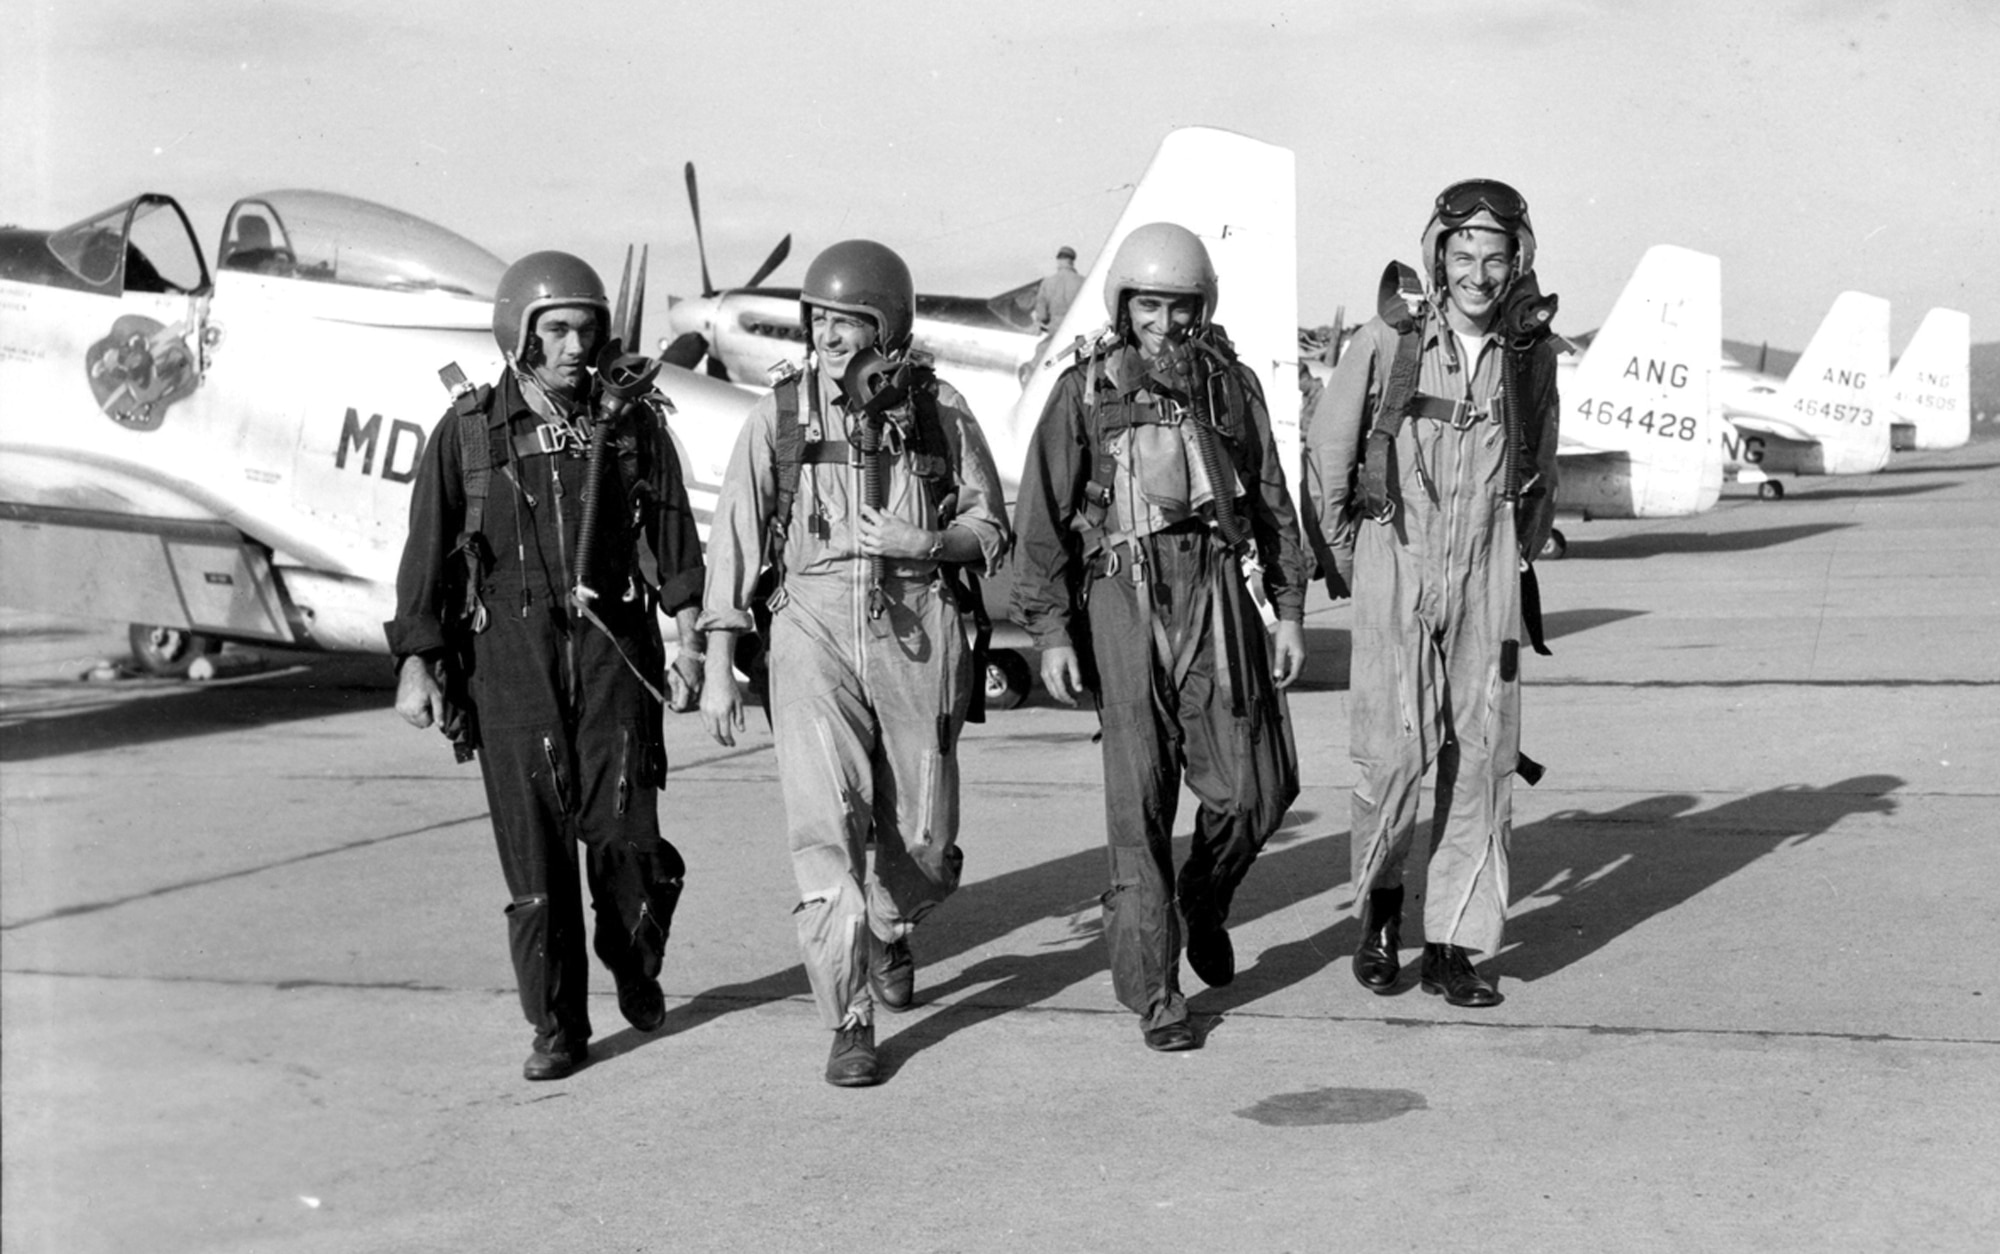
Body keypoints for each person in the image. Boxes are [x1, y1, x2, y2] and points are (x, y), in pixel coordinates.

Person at [697, 240, 1011, 1088]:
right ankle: (849, 1020)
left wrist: (929, 541)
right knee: (824, 829)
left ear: (889, 327)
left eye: (850, 323)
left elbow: (991, 528)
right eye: (822, 322)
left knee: (926, 845)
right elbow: (734, 529)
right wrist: (721, 650)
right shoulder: (784, 415)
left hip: (919, 620)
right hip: (812, 627)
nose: (832, 338)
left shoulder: (942, 409)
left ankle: (887, 926)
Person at [386, 250, 707, 1080]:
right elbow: (425, 550)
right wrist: (418, 661)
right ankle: (557, 1026)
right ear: (520, 335)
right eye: (556, 330)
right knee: (535, 861)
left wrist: (693, 639)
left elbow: (675, 545)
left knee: (627, 835)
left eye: (585, 329)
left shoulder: (632, 424)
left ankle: (635, 962)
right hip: (509, 660)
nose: (573, 345)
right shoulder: (469, 432)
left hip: (612, 651)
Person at [1012, 222, 1309, 1053]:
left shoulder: (1230, 385)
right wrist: (1052, 634)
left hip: (1216, 585)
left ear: (1201, 307)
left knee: (1258, 787)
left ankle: (1204, 901)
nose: (1166, 323)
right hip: (1122, 593)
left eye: (1181, 307)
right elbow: (1040, 515)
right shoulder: (1083, 391)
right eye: (1150, 305)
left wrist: (1288, 609)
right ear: (1124, 305)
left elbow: (1274, 499)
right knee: (1138, 801)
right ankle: (1156, 993)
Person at [1303, 179, 1561, 1008]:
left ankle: (1455, 944)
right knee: (1390, 754)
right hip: (1397, 557)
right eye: (1462, 254)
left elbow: (1543, 467)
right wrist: (1355, 555)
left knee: (1481, 758)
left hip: (1487, 570)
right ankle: (1379, 913)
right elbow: (1328, 448)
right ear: (1436, 257)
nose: (1478, 273)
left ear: (1516, 261)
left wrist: (1508, 560)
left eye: (1494, 256)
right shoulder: (1392, 340)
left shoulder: (1532, 354)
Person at [1032, 244, 1085, 333]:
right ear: (1072, 261)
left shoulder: (1047, 283)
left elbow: (1042, 316)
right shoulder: (1083, 282)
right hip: (1077, 332)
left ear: (1059, 260)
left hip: (1055, 333)